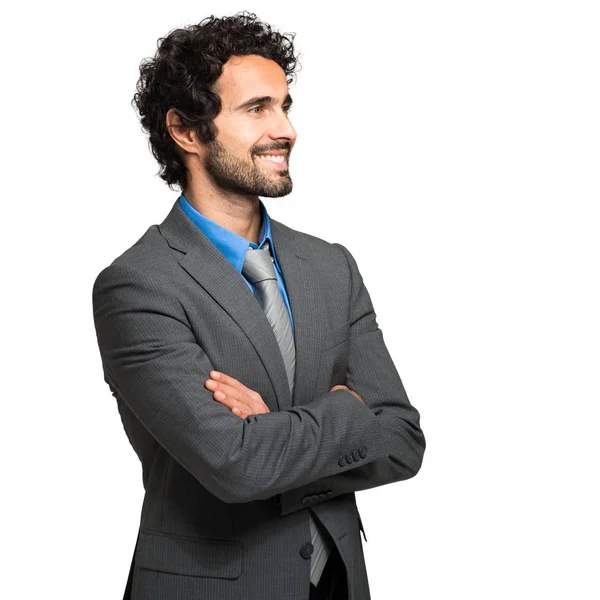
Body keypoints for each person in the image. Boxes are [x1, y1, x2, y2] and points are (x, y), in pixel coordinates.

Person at [92, 12, 425, 600]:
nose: (286, 130)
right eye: (257, 109)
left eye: (286, 106)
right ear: (187, 131)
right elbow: (235, 465)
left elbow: (401, 439)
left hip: (338, 583)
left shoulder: (331, 266)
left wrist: (274, 431)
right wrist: (344, 413)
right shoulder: (138, 286)